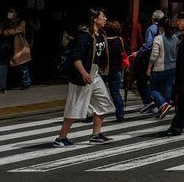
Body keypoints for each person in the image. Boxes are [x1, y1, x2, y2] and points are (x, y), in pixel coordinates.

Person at [54, 8, 113, 147]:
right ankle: (61, 138)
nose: (105, 19)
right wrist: (84, 73)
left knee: (104, 102)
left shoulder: (101, 34)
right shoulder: (85, 35)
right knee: (75, 106)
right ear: (94, 19)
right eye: (103, 17)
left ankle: (96, 135)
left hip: (94, 72)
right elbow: (76, 57)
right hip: (81, 74)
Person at [133, 10, 164, 112]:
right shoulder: (164, 29)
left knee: (142, 81)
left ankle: (149, 102)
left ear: (153, 18)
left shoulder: (152, 28)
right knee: (155, 82)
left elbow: (148, 45)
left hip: (148, 58)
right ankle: (158, 103)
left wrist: (137, 53)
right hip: (161, 58)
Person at [149, 16, 178, 118]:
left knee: (153, 89)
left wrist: (149, 68)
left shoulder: (158, 38)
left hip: (160, 68)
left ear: (161, 27)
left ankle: (163, 105)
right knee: (167, 88)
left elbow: (154, 55)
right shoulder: (175, 38)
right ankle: (164, 108)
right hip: (173, 67)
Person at [0, 7, 32, 90]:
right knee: (11, 66)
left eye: (11, 12)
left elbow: (18, 30)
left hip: (20, 47)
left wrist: (4, 32)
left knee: (23, 65)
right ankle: (8, 83)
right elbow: (0, 30)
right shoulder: (5, 22)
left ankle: (26, 83)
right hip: (9, 47)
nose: (10, 13)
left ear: (16, 13)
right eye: (9, 11)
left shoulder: (21, 22)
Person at [102, 20, 128, 121]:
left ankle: (95, 114)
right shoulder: (120, 40)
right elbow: (126, 52)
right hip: (116, 69)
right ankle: (120, 114)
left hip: (103, 69)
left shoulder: (102, 40)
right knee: (115, 92)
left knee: (99, 93)